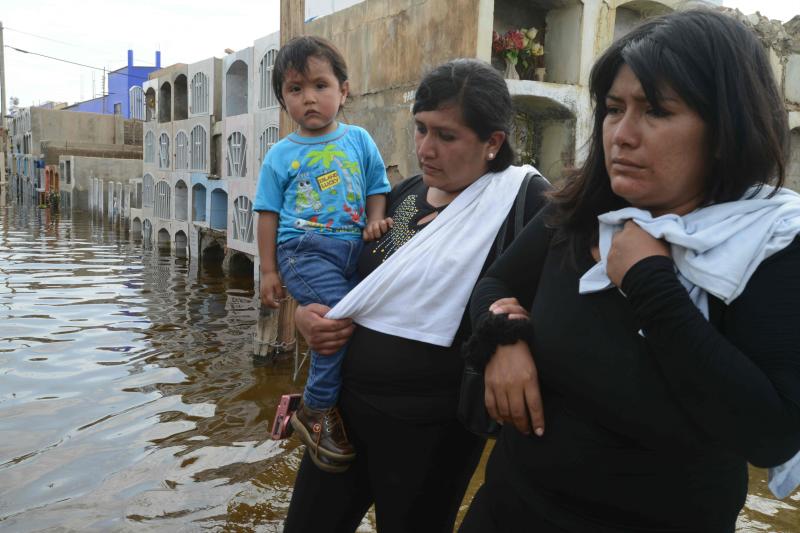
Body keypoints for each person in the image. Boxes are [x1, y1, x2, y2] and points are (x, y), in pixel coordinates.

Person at [461, 8, 800, 533]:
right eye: (614, 108)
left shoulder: (768, 246)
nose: (621, 134)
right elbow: (496, 283)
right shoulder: (576, 213)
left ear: (727, 125)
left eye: (656, 111)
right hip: (512, 508)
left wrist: (650, 283)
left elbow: (771, 434)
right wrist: (502, 339)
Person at [282, 58, 551, 532]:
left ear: (493, 142)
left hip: (431, 433)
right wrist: (305, 317)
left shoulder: (523, 204)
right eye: (421, 129)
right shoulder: (403, 194)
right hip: (342, 415)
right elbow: (345, 280)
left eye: (446, 136)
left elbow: (557, 304)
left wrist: (513, 339)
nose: (426, 149)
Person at [253, 35, 392, 472]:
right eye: (295, 90)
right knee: (335, 320)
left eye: (320, 85)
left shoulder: (360, 140)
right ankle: (315, 408)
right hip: (303, 250)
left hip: (354, 247)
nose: (309, 98)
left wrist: (375, 220)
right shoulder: (280, 155)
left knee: (354, 322)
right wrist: (269, 271)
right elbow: (267, 215)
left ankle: (337, 405)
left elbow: (377, 186)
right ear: (283, 101)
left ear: (343, 91)